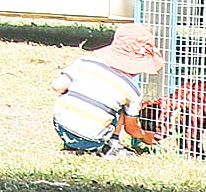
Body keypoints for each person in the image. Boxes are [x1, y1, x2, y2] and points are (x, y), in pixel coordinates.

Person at [52, 24, 163, 155]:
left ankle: (73, 142)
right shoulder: (133, 90)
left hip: (60, 125)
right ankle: (112, 145)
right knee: (122, 107)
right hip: (92, 138)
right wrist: (144, 136)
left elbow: (57, 86)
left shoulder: (85, 62)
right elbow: (130, 128)